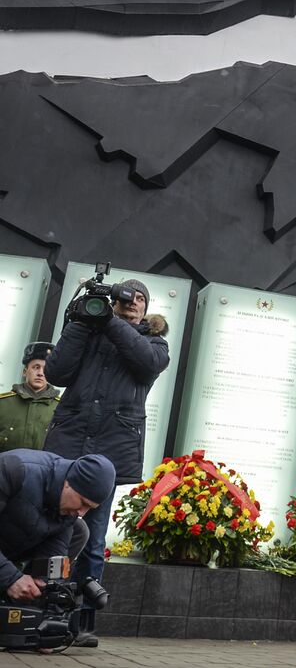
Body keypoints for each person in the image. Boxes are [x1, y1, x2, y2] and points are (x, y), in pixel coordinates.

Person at [44, 277, 168, 648]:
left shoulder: (155, 342)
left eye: (139, 298)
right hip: (69, 443)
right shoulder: (88, 328)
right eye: (125, 296)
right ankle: (46, 612)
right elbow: (56, 372)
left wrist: (110, 321)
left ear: (147, 308)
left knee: (93, 539)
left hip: (108, 453)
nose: (132, 302)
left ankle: (83, 623)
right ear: (112, 301)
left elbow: (146, 365)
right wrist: (83, 321)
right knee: (52, 531)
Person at [0, 451, 113, 603]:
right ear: (68, 483)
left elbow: (54, 554)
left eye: (90, 508)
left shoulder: (68, 509)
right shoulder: (14, 469)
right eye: (83, 502)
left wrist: (44, 585)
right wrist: (11, 578)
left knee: (79, 530)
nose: (81, 512)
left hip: (11, 547)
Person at [0, 343, 61, 451]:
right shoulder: (3, 404)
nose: (40, 373)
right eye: (36, 367)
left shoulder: (60, 408)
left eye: (46, 368)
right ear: (25, 372)